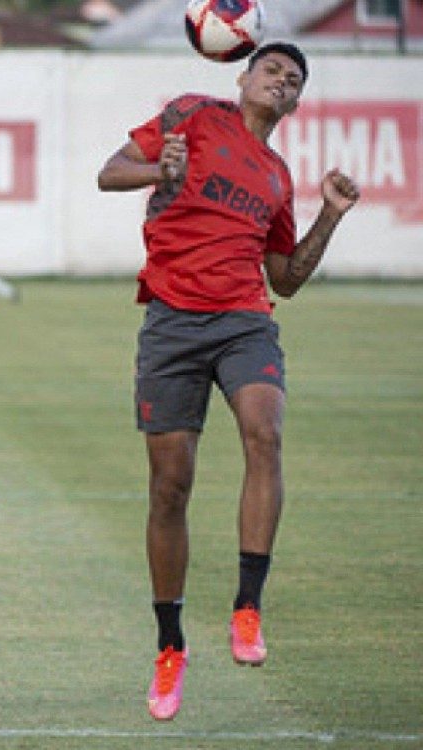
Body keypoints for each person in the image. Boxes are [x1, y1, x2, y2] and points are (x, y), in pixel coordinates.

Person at [96, 42, 360, 721]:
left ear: (296, 102)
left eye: (293, 79)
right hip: (172, 322)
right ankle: (170, 645)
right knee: (169, 486)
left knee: (263, 433)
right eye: (272, 69)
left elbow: (285, 281)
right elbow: (109, 173)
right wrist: (163, 169)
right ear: (242, 77)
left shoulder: (276, 176)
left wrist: (329, 214)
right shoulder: (191, 116)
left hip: (245, 319)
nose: (282, 81)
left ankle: (248, 606)